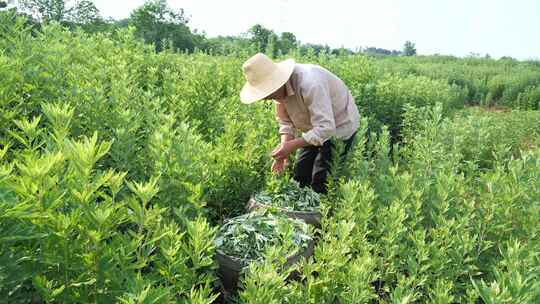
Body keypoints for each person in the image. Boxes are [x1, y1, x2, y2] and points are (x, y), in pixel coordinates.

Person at [240, 53, 360, 194]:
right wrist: (284, 150)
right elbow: (285, 121)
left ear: (277, 82)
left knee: (321, 179)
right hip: (312, 127)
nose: (265, 98)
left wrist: (291, 146)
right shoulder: (277, 89)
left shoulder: (311, 83)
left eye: (267, 93)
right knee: (300, 174)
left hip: (339, 126)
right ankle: (299, 211)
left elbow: (326, 128)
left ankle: (321, 211)